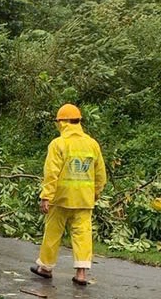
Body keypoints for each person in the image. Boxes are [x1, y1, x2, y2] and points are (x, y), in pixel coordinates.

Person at [30, 104, 106, 286]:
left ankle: (46, 268)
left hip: (61, 198)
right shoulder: (92, 144)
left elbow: (51, 173)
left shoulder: (59, 144)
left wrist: (46, 196)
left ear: (63, 122)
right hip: (84, 199)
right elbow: (100, 174)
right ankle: (81, 274)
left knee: (53, 232)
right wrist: (96, 192)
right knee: (83, 235)